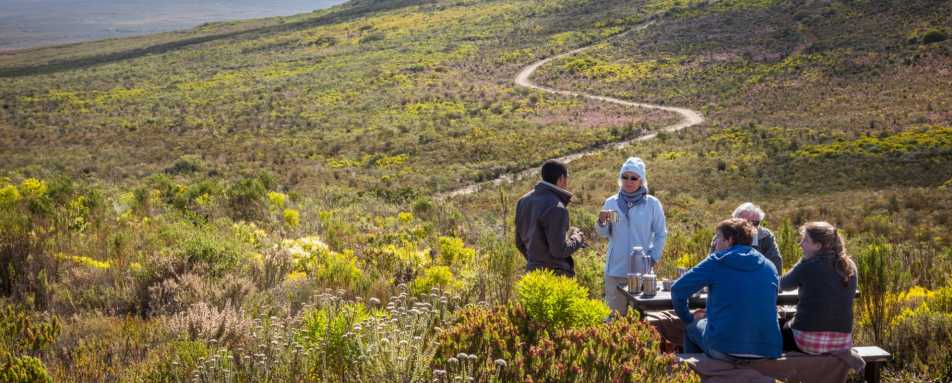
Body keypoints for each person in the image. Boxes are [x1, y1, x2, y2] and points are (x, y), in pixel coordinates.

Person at [672, 218, 782, 361]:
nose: (715, 244)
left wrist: (688, 316)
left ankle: (700, 373)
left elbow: (677, 290)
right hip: (768, 350)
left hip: (724, 348)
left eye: (718, 238)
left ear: (729, 240)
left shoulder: (717, 260)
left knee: (691, 326)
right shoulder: (770, 266)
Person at [595, 157, 667, 316]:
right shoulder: (612, 203)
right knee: (615, 318)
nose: (629, 181)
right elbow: (604, 233)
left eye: (634, 177)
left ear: (641, 180)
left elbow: (661, 234)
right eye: (625, 177)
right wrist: (601, 222)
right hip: (615, 271)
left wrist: (653, 257)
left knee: (642, 319)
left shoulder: (652, 204)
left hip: (642, 273)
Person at [779, 221, 857, 355]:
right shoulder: (849, 266)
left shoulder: (807, 266)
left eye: (806, 240)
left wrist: (802, 261)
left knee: (779, 326)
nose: (801, 244)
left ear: (818, 246)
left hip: (808, 343)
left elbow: (783, 285)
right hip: (842, 343)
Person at [515, 160, 586, 277]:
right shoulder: (557, 207)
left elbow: (519, 243)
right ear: (561, 178)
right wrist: (577, 238)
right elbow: (559, 250)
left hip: (532, 274)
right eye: (567, 177)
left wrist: (535, 262)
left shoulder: (523, 201)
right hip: (555, 277)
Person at [710, 202, 782, 273]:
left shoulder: (765, 236)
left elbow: (776, 266)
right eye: (745, 223)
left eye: (756, 223)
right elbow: (711, 265)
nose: (750, 227)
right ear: (734, 221)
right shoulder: (722, 236)